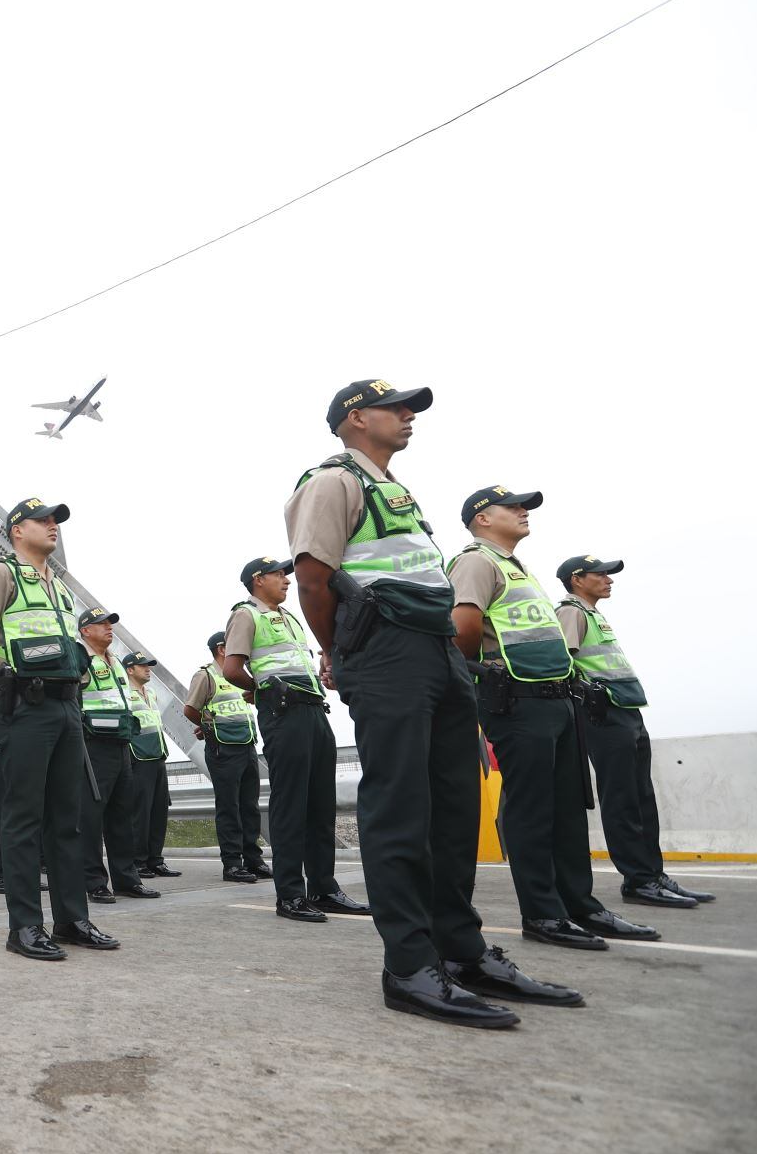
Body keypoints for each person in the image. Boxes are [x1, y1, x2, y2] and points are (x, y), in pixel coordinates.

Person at [289, 380, 578, 1027]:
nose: (408, 417)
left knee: (453, 806)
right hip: (385, 651)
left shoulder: (396, 492)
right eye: (396, 408)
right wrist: (341, 651)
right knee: (400, 807)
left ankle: (462, 951)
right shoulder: (332, 481)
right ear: (355, 419)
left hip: (440, 653)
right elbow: (312, 575)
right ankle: (409, 966)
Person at [448, 488, 659, 948]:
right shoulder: (475, 562)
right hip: (518, 702)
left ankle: (580, 906)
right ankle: (543, 915)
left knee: (566, 809)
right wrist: (488, 681)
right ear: (482, 519)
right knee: (532, 811)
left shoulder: (517, 567)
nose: (524, 513)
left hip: (555, 701)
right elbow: (462, 631)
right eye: (513, 507)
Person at [0, 498, 118, 960]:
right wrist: (1, 687)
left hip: (66, 708)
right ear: (16, 530)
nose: (53, 527)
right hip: (26, 708)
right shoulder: (0, 575)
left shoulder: (60, 588)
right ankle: (25, 926)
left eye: (56, 521)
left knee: (66, 819)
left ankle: (72, 918)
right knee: (23, 819)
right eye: (43, 520)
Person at [555, 556, 712, 909]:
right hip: (604, 713)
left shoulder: (593, 614)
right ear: (577, 579)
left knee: (642, 797)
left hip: (626, 710)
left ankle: (653, 874)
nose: (609, 579)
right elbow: (562, 662)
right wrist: (588, 698)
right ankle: (638, 880)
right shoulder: (571, 612)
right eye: (601, 574)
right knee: (622, 797)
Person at [222, 559, 364, 923]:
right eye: (278, 575)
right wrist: (265, 691)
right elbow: (233, 669)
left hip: (314, 710)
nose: (286, 580)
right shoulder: (245, 615)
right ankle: (290, 894)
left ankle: (324, 888)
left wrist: (322, 674)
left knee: (320, 804)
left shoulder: (290, 618)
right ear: (258, 580)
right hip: (283, 713)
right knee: (291, 804)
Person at [76, 608, 159, 903]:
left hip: (122, 744)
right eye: (102, 624)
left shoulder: (115, 663)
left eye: (110, 624)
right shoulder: (80, 658)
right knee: (91, 816)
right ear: (85, 630)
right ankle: (94, 881)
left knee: (122, 815)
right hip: (93, 745)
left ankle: (126, 879)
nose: (109, 628)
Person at [182, 634, 267, 883]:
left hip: (247, 746)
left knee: (249, 806)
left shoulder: (238, 675)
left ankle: (254, 860)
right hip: (223, 748)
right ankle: (232, 864)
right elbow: (190, 709)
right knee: (229, 806)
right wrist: (210, 728)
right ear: (221, 649)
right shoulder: (206, 676)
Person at [121, 651, 179, 880]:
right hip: (139, 757)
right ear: (130, 669)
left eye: (149, 665)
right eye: (142, 665)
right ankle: (139, 861)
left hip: (157, 756)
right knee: (140, 813)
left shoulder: (151, 693)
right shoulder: (124, 693)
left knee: (158, 811)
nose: (148, 669)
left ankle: (156, 860)